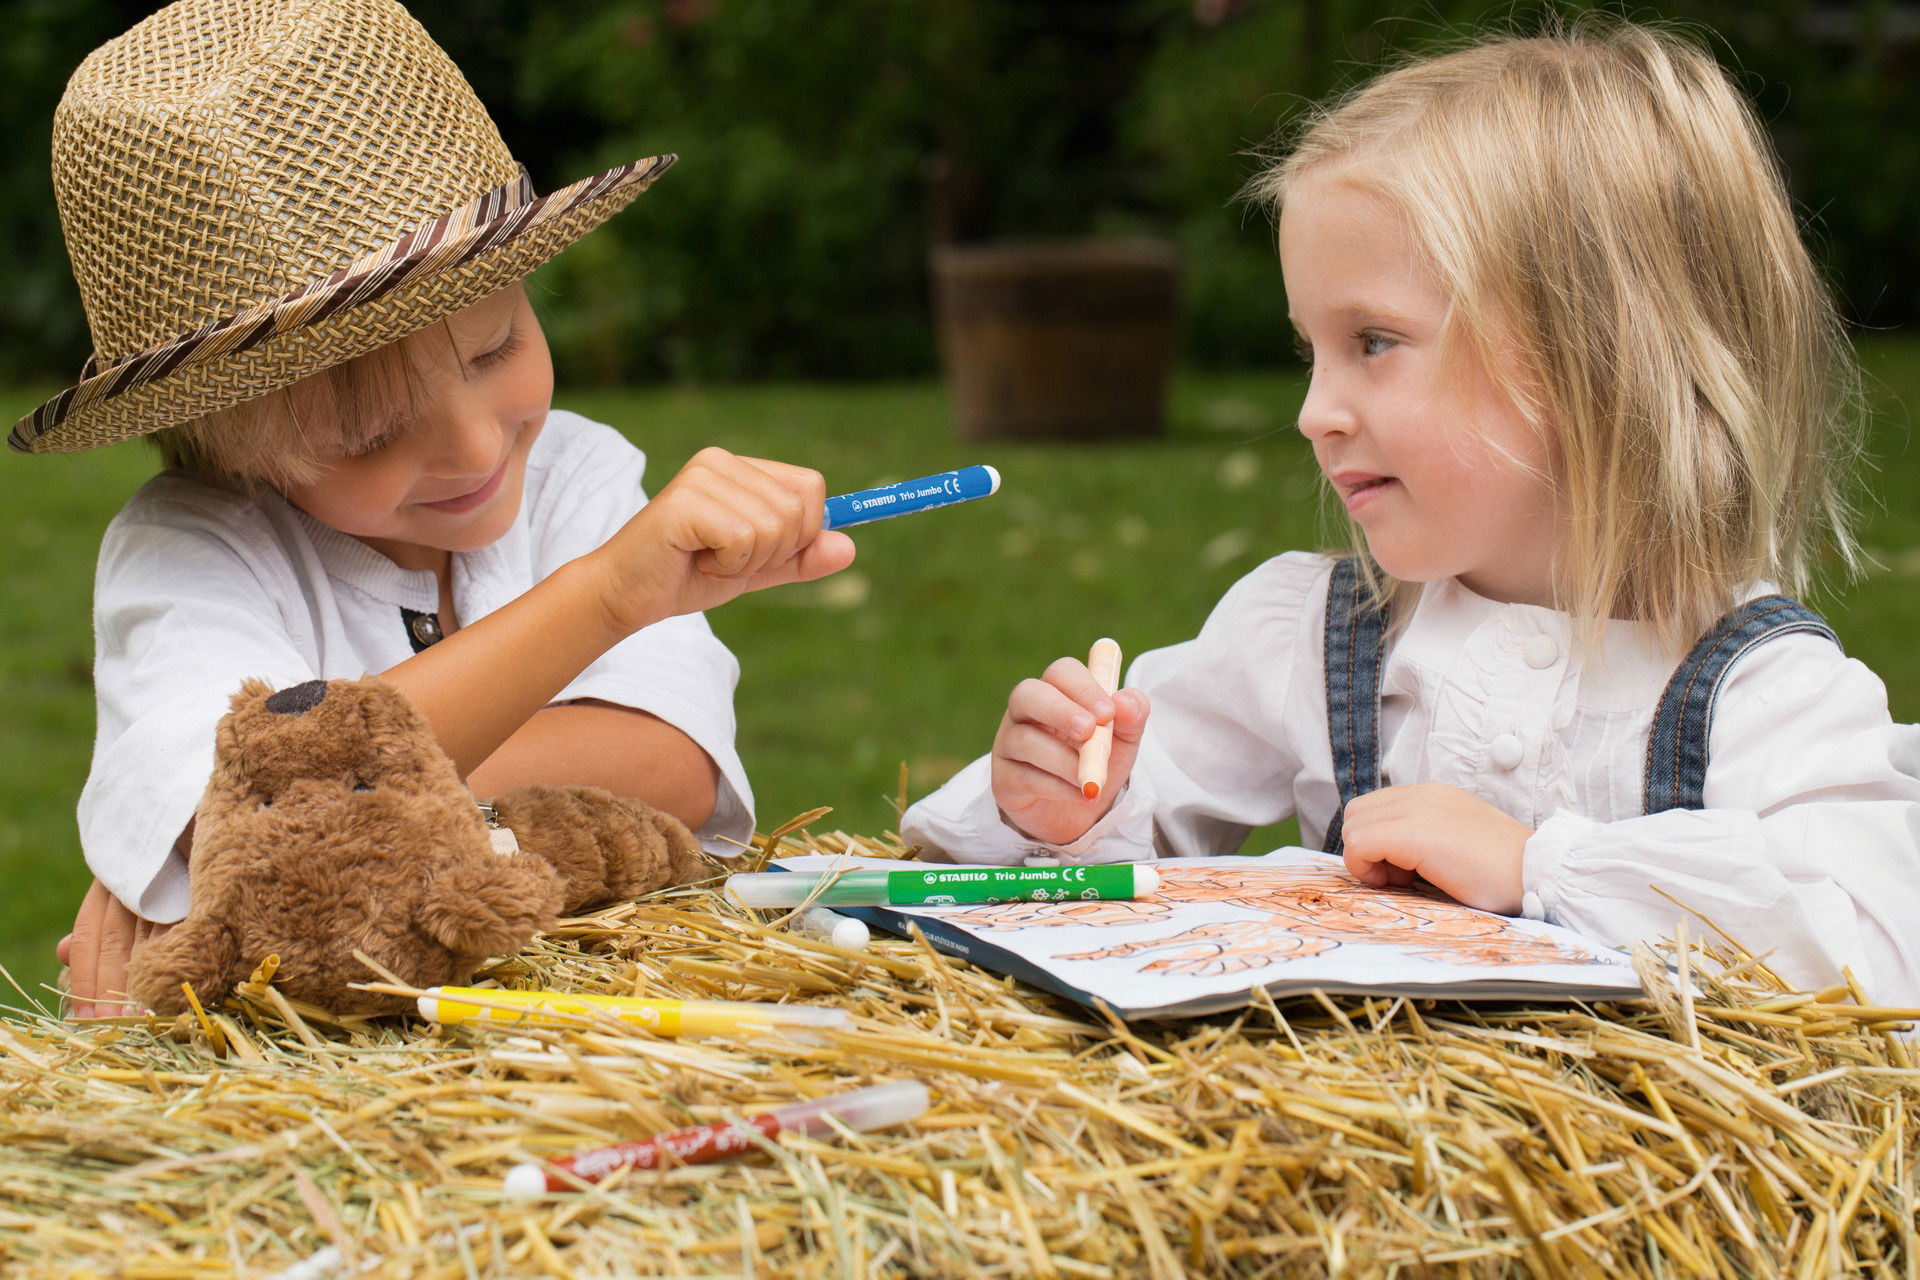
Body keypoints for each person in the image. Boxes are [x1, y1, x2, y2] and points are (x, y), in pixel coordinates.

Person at [901, 20, 1920, 1006]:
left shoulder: (1762, 690)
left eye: (1374, 343)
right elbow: (1008, 864)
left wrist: (1538, 866)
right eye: (1310, 351)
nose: (1315, 412)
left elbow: (1880, 947)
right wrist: (1057, 807)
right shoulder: (1312, 635)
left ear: (1595, 356)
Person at [17, 0, 856, 1016]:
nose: (475, 447)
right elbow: (231, 823)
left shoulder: (578, 472)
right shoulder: (192, 551)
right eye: (372, 432)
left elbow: (671, 767)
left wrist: (290, 824)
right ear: (231, 438)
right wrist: (600, 602)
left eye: (497, 349)